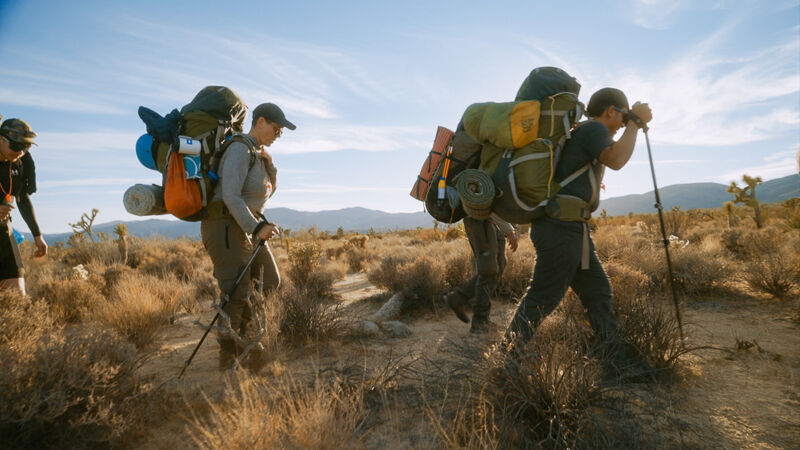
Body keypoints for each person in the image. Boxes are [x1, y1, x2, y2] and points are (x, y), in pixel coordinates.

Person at [504, 88, 652, 359]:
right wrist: (635, 123)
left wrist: (629, 121)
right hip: (561, 229)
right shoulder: (594, 131)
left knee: (597, 291)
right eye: (622, 117)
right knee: (542, 297)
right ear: (611, 111)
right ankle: (505, 357)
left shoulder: (584, 131)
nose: (621, 125)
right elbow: (617, 159)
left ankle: (612, 357)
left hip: (573, 229)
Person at [200, 102, 295, 370]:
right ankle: (229, 359)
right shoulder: (240, 149)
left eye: (281, 132)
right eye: (276, 128)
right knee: (235, 293)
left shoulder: (256, 153)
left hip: (248, 228)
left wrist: (271, 167)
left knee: (270, 281)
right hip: (225, 227)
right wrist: (255, 228)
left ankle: (249, 340)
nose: (278, 135)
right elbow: (230, 195)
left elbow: (261, 194)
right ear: (260, 121)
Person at [445, 216, 518, 333]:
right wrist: (509, 231)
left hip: (496, 222)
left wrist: (511, 223)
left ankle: (459, 298)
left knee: (500, 265)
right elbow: (489, 202)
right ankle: (480, 321)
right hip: (481, 219)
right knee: (489, 269)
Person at [0, 118, 48, 295]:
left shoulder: (20, 161)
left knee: (17, 296)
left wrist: (37, 235)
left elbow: (22, 197)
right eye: (16, 147)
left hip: (3, 230)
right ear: (0, 139)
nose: (20, 152)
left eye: (24, 148)